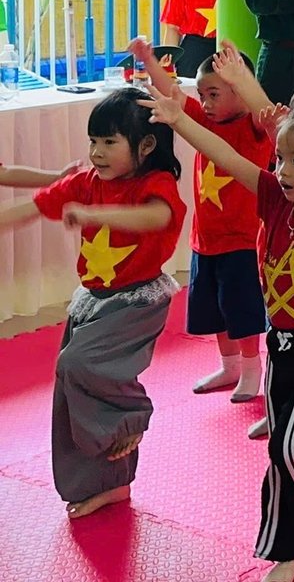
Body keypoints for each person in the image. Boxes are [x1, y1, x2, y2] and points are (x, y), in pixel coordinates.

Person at [148, 78, 294, 582]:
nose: (283, 170)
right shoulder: (273, 199)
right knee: (279, 449)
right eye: (281, 159)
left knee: (292, 444)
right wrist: (180, 121)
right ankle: (290, 551)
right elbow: (225, 155)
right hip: (282, 342)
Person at [0, 90, 185, 520]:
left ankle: (132, 414)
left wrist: (95, 215)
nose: (97, 152)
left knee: (78, 364)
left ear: (146, 145)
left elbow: (157, 217)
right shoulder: (85, 183)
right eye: (93, 141)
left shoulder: (154, 183)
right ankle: (110, 483)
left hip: (137, 302)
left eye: (109, 142)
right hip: (94, 299)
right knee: (73, 391)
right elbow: (32, 207)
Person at [131, 36, 273, 406]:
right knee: (217, 310)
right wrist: (148, 60)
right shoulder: (203, 122)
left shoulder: (254, 130)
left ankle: (252, 366)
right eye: (203, 95)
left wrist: (241, 77)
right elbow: (173, 95)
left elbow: (265, 111)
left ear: (240, 92)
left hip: (242, 240)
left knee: (243, 311)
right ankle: (229, 365)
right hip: (206, 239)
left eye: (214, 95)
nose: (206, 103)